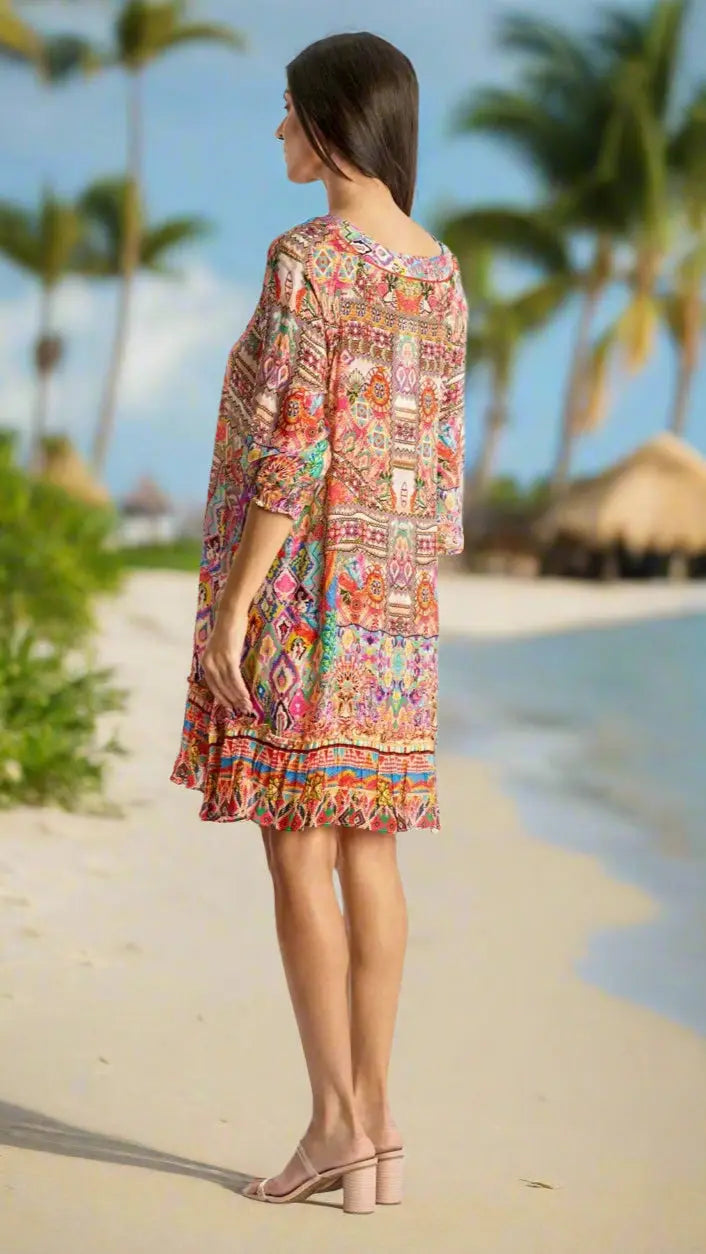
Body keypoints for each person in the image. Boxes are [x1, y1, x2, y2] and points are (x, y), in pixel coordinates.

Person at [170, 30, 467, 1215]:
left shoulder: (309, 260)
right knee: (370, 853)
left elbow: (289, 455)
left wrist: (237, 604)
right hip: (398, 611)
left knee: (297, 847)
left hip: (305, 596)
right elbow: (440, 473)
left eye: (289, 112)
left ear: (336, 121)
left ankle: (332, 1126)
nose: (279, 132)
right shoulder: (441, 272)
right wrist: (399, 585)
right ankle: (379, 1132)